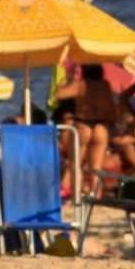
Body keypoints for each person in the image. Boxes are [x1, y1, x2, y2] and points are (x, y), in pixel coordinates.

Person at [56, 63, 117, 193]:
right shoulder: (105, 85)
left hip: (84, 125)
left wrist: (67, 80)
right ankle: (96, 198)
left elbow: (59, 94)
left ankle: (76, 197)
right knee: (96, 168)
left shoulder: (81, 84)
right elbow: (112, 108)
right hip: (101, 127)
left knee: (75, 165)